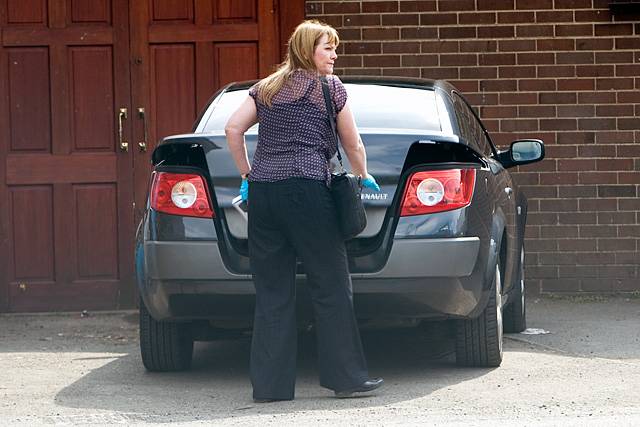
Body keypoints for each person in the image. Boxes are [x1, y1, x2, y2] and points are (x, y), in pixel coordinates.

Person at [225, 19, 383, 402]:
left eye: (334, 48)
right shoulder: (329, 88)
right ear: (307, 49)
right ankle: (346, 379)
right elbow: (354, 142)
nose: (334, 55)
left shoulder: (266, 88)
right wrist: (363, 175)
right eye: (327, 48)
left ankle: (270, 387)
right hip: (309, 191)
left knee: (273, 291)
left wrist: (247, 174)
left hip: (264, 196)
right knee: (330, 284)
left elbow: (233, 128)